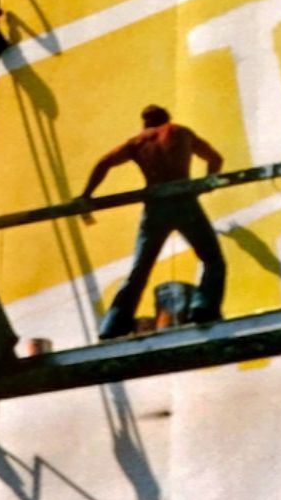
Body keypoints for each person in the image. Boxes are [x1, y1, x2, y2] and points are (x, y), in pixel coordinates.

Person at [81, 105, 227, 339]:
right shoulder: (180, 132)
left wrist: (87, 195)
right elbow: (215, 158)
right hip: (184, 199)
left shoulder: (137, 142)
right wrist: (205, 184)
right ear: (167, 118)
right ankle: (204, 309)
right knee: (212, 260)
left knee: (139, 271)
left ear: (144, 123)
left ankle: (113, 324)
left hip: (155, 205)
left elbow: (104, 162)